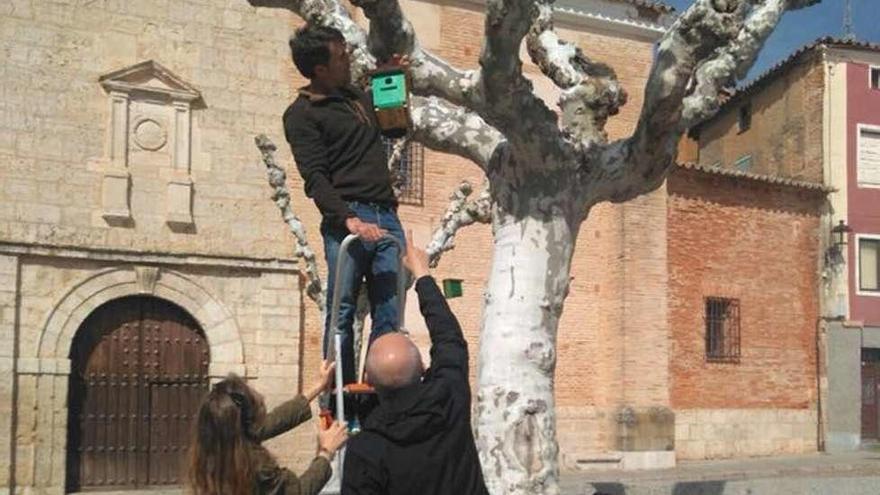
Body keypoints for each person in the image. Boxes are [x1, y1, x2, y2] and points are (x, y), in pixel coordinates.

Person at [283, 24, 406, 391]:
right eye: (341, 56)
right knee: (342, 313)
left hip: (387, 214)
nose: (348, 59)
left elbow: (395, 128)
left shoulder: (357, 98)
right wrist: (348, 220)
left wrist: (392, 78)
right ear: (320, 69)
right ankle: (339, 396)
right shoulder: (301, 114)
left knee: (389, 309)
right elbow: (315, 178)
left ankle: (380, 388)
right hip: (348, 217)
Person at [342, 233, 490, 495]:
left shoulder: (366, 449)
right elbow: (449, 339)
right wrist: (422, 274)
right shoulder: (449, 398)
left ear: (369, 382)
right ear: (423, 366)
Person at [187, 361, 348, 495]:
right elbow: (298, 492)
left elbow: (273, 422)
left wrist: (318, 386)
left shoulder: (213, 449)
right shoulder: (257, 468)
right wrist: (326, 453)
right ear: (247, 422)